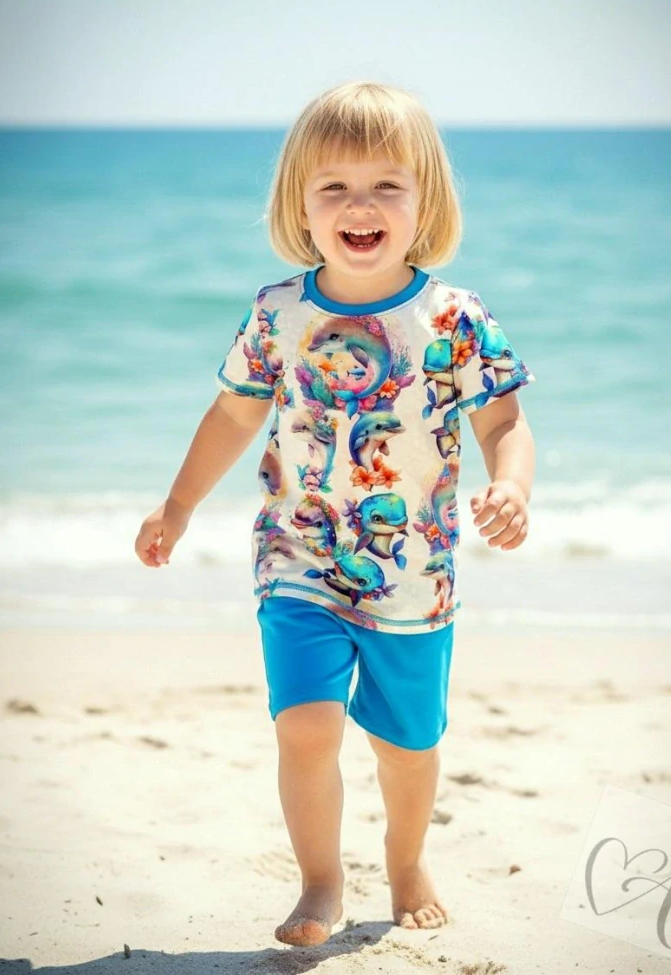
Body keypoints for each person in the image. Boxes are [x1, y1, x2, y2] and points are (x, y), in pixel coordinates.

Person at [134, 80, 536, 948]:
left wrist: (511, 485)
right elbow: (234, 414)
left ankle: (405, 861)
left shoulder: (454, 318)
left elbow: (503, 421)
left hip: (413, 575)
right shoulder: (279, 312)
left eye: (386, 184)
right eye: (335, 187)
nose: (360, 205)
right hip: (298, 558)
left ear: (425, 200)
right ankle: (319, 881)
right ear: (301, 204)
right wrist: (178, 502)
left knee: (407, 743)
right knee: (306, 724)